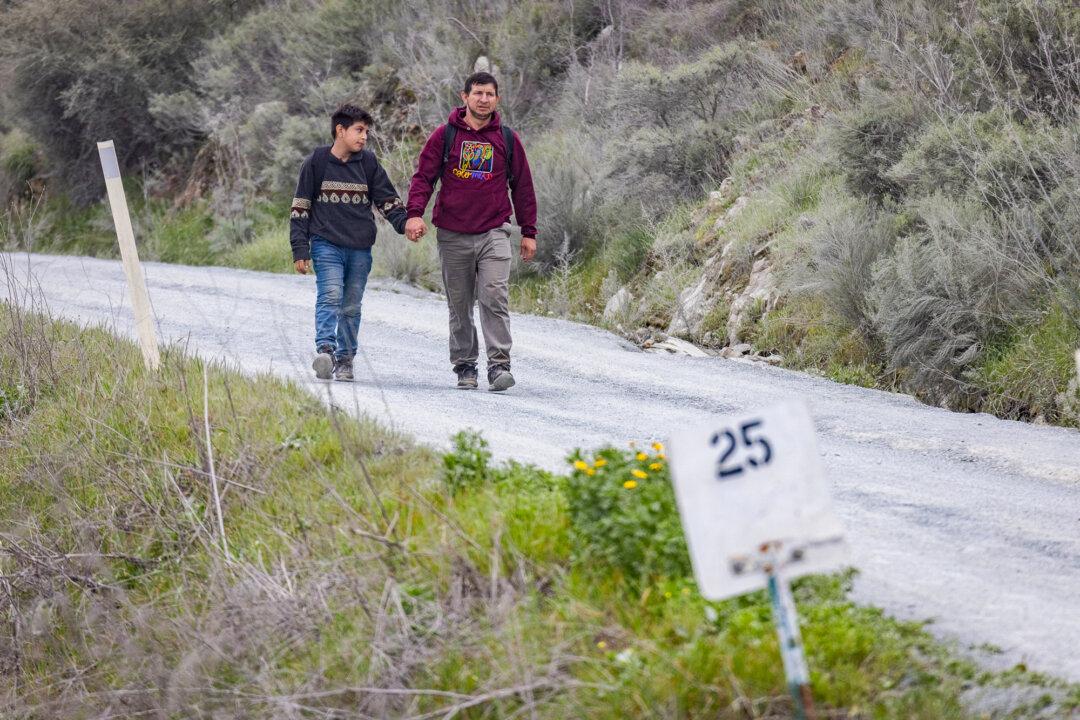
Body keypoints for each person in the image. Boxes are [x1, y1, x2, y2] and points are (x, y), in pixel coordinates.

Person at [405, 72, 538, 392]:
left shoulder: (506, 138)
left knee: (494, 296)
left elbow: (523, 186)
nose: (483, 99)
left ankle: (499, 365)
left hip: (494, 231)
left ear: (497, 99)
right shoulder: (445, 135)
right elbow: (423, 177)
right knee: (460, 304)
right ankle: (465, 364)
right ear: (464, 97)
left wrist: (529, 230)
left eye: (490, 94)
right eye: (477, 93)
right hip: (453, 233)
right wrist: (414, 214)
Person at [290, 104, 407, 381]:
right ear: (340, 131)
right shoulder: (316, 163)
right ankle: (326, 352)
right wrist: (300, 249)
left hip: (359, 248)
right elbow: (300, 209)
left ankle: (345, 359)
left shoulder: (367, 164)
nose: (364, 136)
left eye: (366, 131)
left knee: (351, 305)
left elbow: (387, 199)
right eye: (359, 130)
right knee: (330, 295)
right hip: (325, 243)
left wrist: (405, 224)